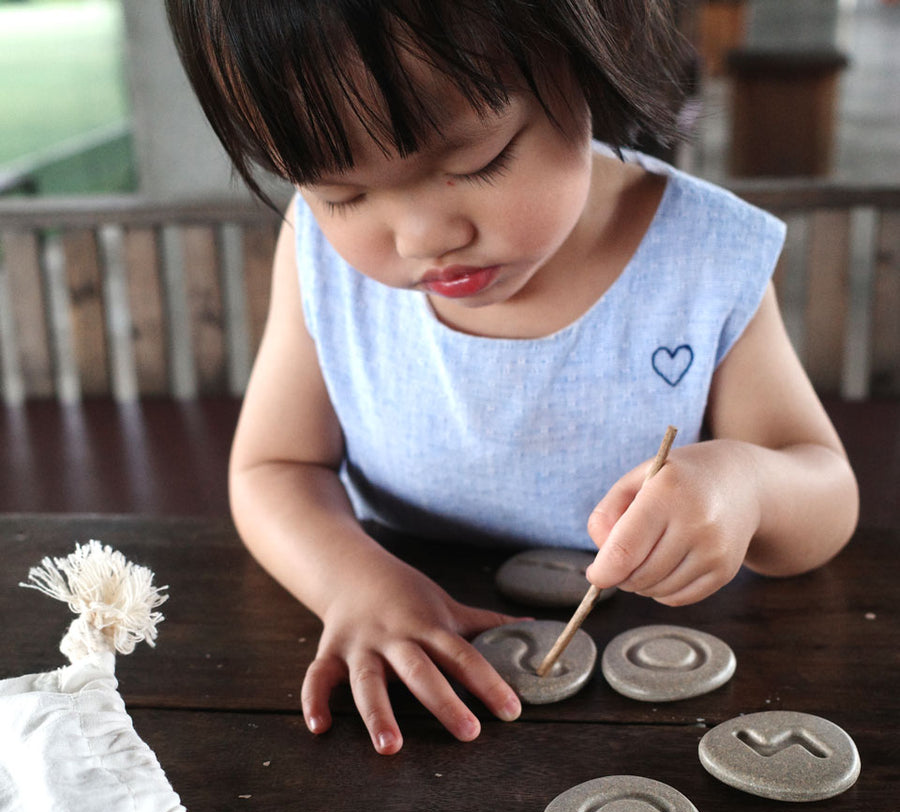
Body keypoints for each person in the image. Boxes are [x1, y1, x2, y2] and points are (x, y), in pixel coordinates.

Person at [165, 0, 858, 755]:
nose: (424, 236)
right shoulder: (317, 259)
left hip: (648, 710)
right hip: (422, 693)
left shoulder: (703, 260)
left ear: (589, 58)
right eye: (343, 193)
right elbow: (274, 467)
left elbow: (824, 493)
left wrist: (745, 488)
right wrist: (352, 583)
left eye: (476, 162)